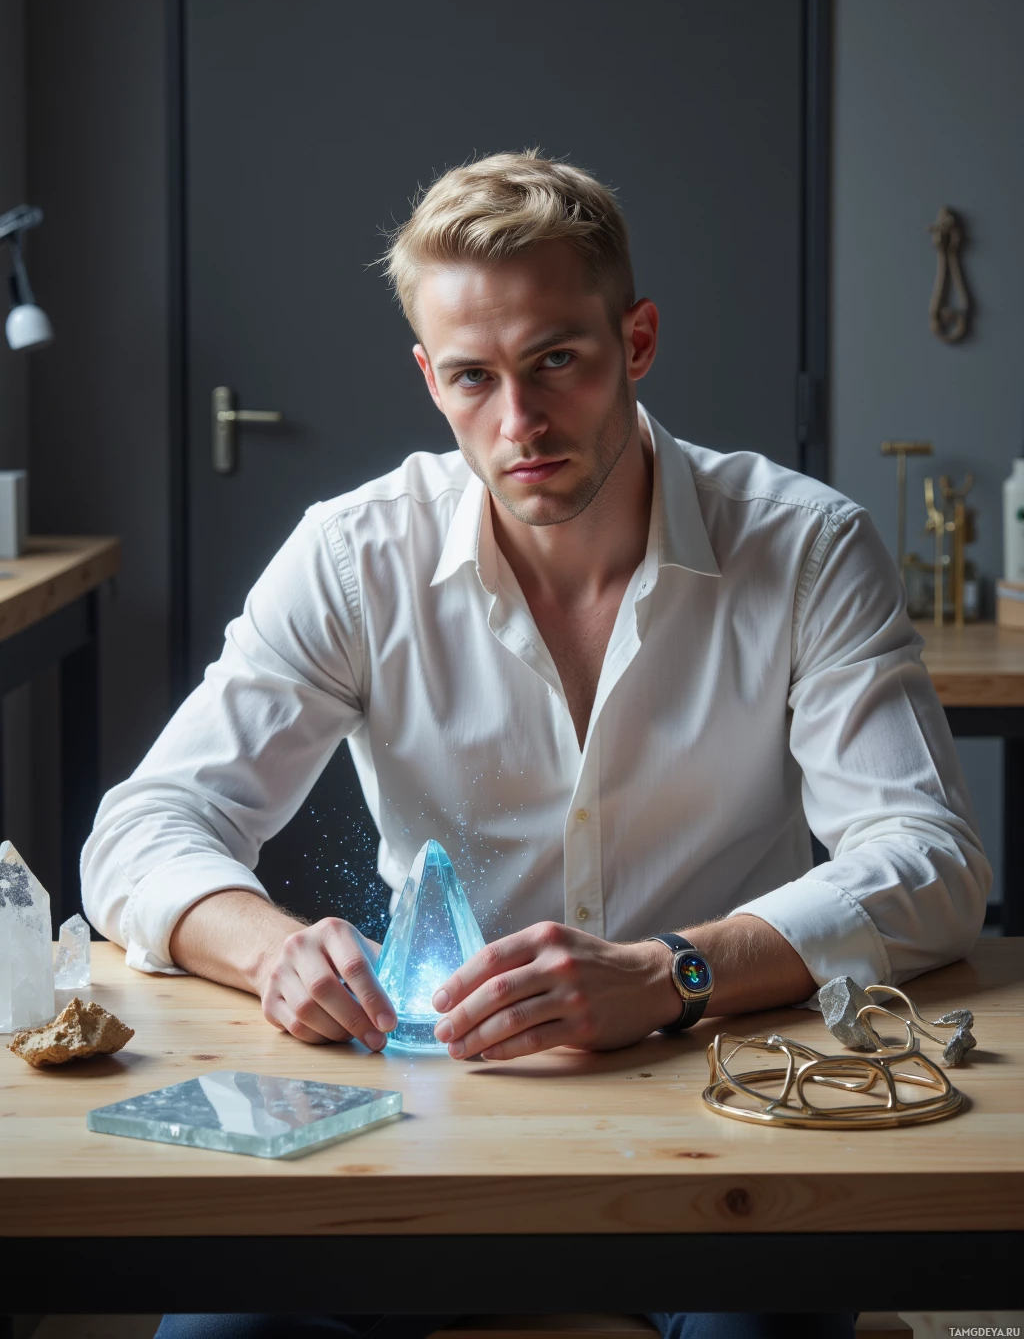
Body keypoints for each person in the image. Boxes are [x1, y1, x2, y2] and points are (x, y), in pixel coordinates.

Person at [83, 153, 990, 1339]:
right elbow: (143, 828)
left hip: (730, 1108)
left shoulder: (807, 547)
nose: (519, 424)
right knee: (219, 1332)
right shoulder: (355, 557)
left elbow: (931, 861)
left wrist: (669, 973)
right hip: (427, 1123)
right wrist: (271, 953)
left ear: (636, 342)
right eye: (474, 376)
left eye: (557, 360)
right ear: (431, 378)